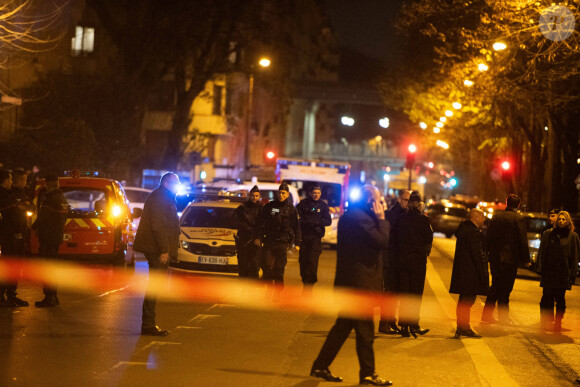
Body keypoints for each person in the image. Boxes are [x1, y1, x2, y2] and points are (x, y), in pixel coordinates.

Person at [310, 185, 392, 386]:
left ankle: (320, 366)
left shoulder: (355, 216)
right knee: (365, 332)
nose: (381, 204)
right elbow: (382, 240)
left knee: (342, 328)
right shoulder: (360, 218)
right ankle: (367, 373)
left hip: (353, 282)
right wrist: (381, 219)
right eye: (378, 200)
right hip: (359, 285)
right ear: (370, 201)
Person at [133, 172, 180, 336]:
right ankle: (148, 324)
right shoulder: (160, 198)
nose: (177, 185)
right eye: (175, 182)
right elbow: (158, 226)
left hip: (156, 248)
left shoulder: (165, 197)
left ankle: (149, 323)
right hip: (156, 249)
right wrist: (165, 250)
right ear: (166, 183)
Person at [481, 194, 529, 325]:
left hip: (496, 258)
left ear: (507, 203)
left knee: (495, 285)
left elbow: (489, 236)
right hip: (510, 259)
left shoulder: (497, 217)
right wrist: (526, 259)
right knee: (506, 288)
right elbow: (522, 240)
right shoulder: (518, 219)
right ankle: (503, 316)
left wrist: (487, 252)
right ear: (518, 205)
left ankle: (487, 314)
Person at [395, 191, 433, 338]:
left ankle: (404, 325)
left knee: (404, 294)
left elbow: (397, 238)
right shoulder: (424, 220)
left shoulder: (401, 219)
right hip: (417, 262)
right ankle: (413, 324)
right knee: (415, 294)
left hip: (403, 261)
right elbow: (428, 238)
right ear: (420, 205)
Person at [536, 211, 579, 333]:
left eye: (563, 219)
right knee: (546, 298)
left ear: (568, 221)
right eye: (559, 219)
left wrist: (573, 274)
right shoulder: (548, 234)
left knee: (560, 299)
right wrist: (540, 269)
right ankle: (545, 322)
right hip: (549, 272)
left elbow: (574, 256)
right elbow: (542, 252)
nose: (560, 221)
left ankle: (558, 323)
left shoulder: (572, 236)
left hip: (563, 273)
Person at [449, 208, 489, 338]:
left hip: (462, 272)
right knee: (467, 301)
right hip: (471, 273)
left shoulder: (464, 230)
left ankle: (461, 327)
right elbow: (477, 255)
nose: (484, 219)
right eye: (482, 217)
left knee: (463, 301)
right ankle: (464, 327)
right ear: (476, 217)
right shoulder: (474, 233)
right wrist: (483, 274)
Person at [257, 183, 301, 299]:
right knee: (266, 266)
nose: (281, 195)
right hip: (269, 241)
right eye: (279, 192)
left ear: (287, 194)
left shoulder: (291, 209)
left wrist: (297, 243)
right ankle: (269, 287)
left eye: (283, 193)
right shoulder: (269, 206)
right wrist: (259, 237)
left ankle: (277, 291)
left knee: (279, 269)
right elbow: (261, 223)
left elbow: (296, 227)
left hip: (282, 242)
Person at [32, 173, 69, 307]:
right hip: (56, 238)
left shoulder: (50, 200)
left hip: (47, 238)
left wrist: (32, 227)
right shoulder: (63, 200)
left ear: (48, 185)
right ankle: (54, 295)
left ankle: (49, 297)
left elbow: (42, 218)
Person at [378, 189, 410, 334]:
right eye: (406, 200)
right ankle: (384, 323)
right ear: (399, 199)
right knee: (389, 292)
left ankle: (391, 321)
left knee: (395, 292)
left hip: (397, 260)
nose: (408, 203)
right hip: (390, 259)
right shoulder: (393, 214)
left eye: (410, 201)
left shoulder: (405, 215)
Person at [0, 169, 29, 307]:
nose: (11, 181)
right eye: (10, 179)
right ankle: (4, 296)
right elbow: (12, 215)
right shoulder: (4, 196)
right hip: (9, 236)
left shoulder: (9, 195)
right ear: (5, 180)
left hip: (16, 235)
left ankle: (11, 294)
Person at [296, 184, 331, 294]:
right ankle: (305, 281)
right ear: (311, 193)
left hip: (315, 238)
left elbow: (328, 221)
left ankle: (309, 286)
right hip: (304, 237)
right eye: (314, 193)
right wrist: (306, 222)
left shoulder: (323, 205)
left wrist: (317, 223)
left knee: (312, 262)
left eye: (318, 193)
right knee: (303, 262)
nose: (316, 195)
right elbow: (296, 218)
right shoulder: (303, 204)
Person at [232, 185, 263, 278]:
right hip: (243, 241)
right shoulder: (242, 208)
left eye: (256, 196)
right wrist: (245, 227)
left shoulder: (262, 209)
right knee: (243, 266)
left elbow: (265, 224)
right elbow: (234, 221)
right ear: (249, 196)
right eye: (253, 195)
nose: (254, 198)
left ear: (259, 196)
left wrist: (259, 237)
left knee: (255, 265)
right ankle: (243, 289)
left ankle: (253, 289)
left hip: (256, 241)